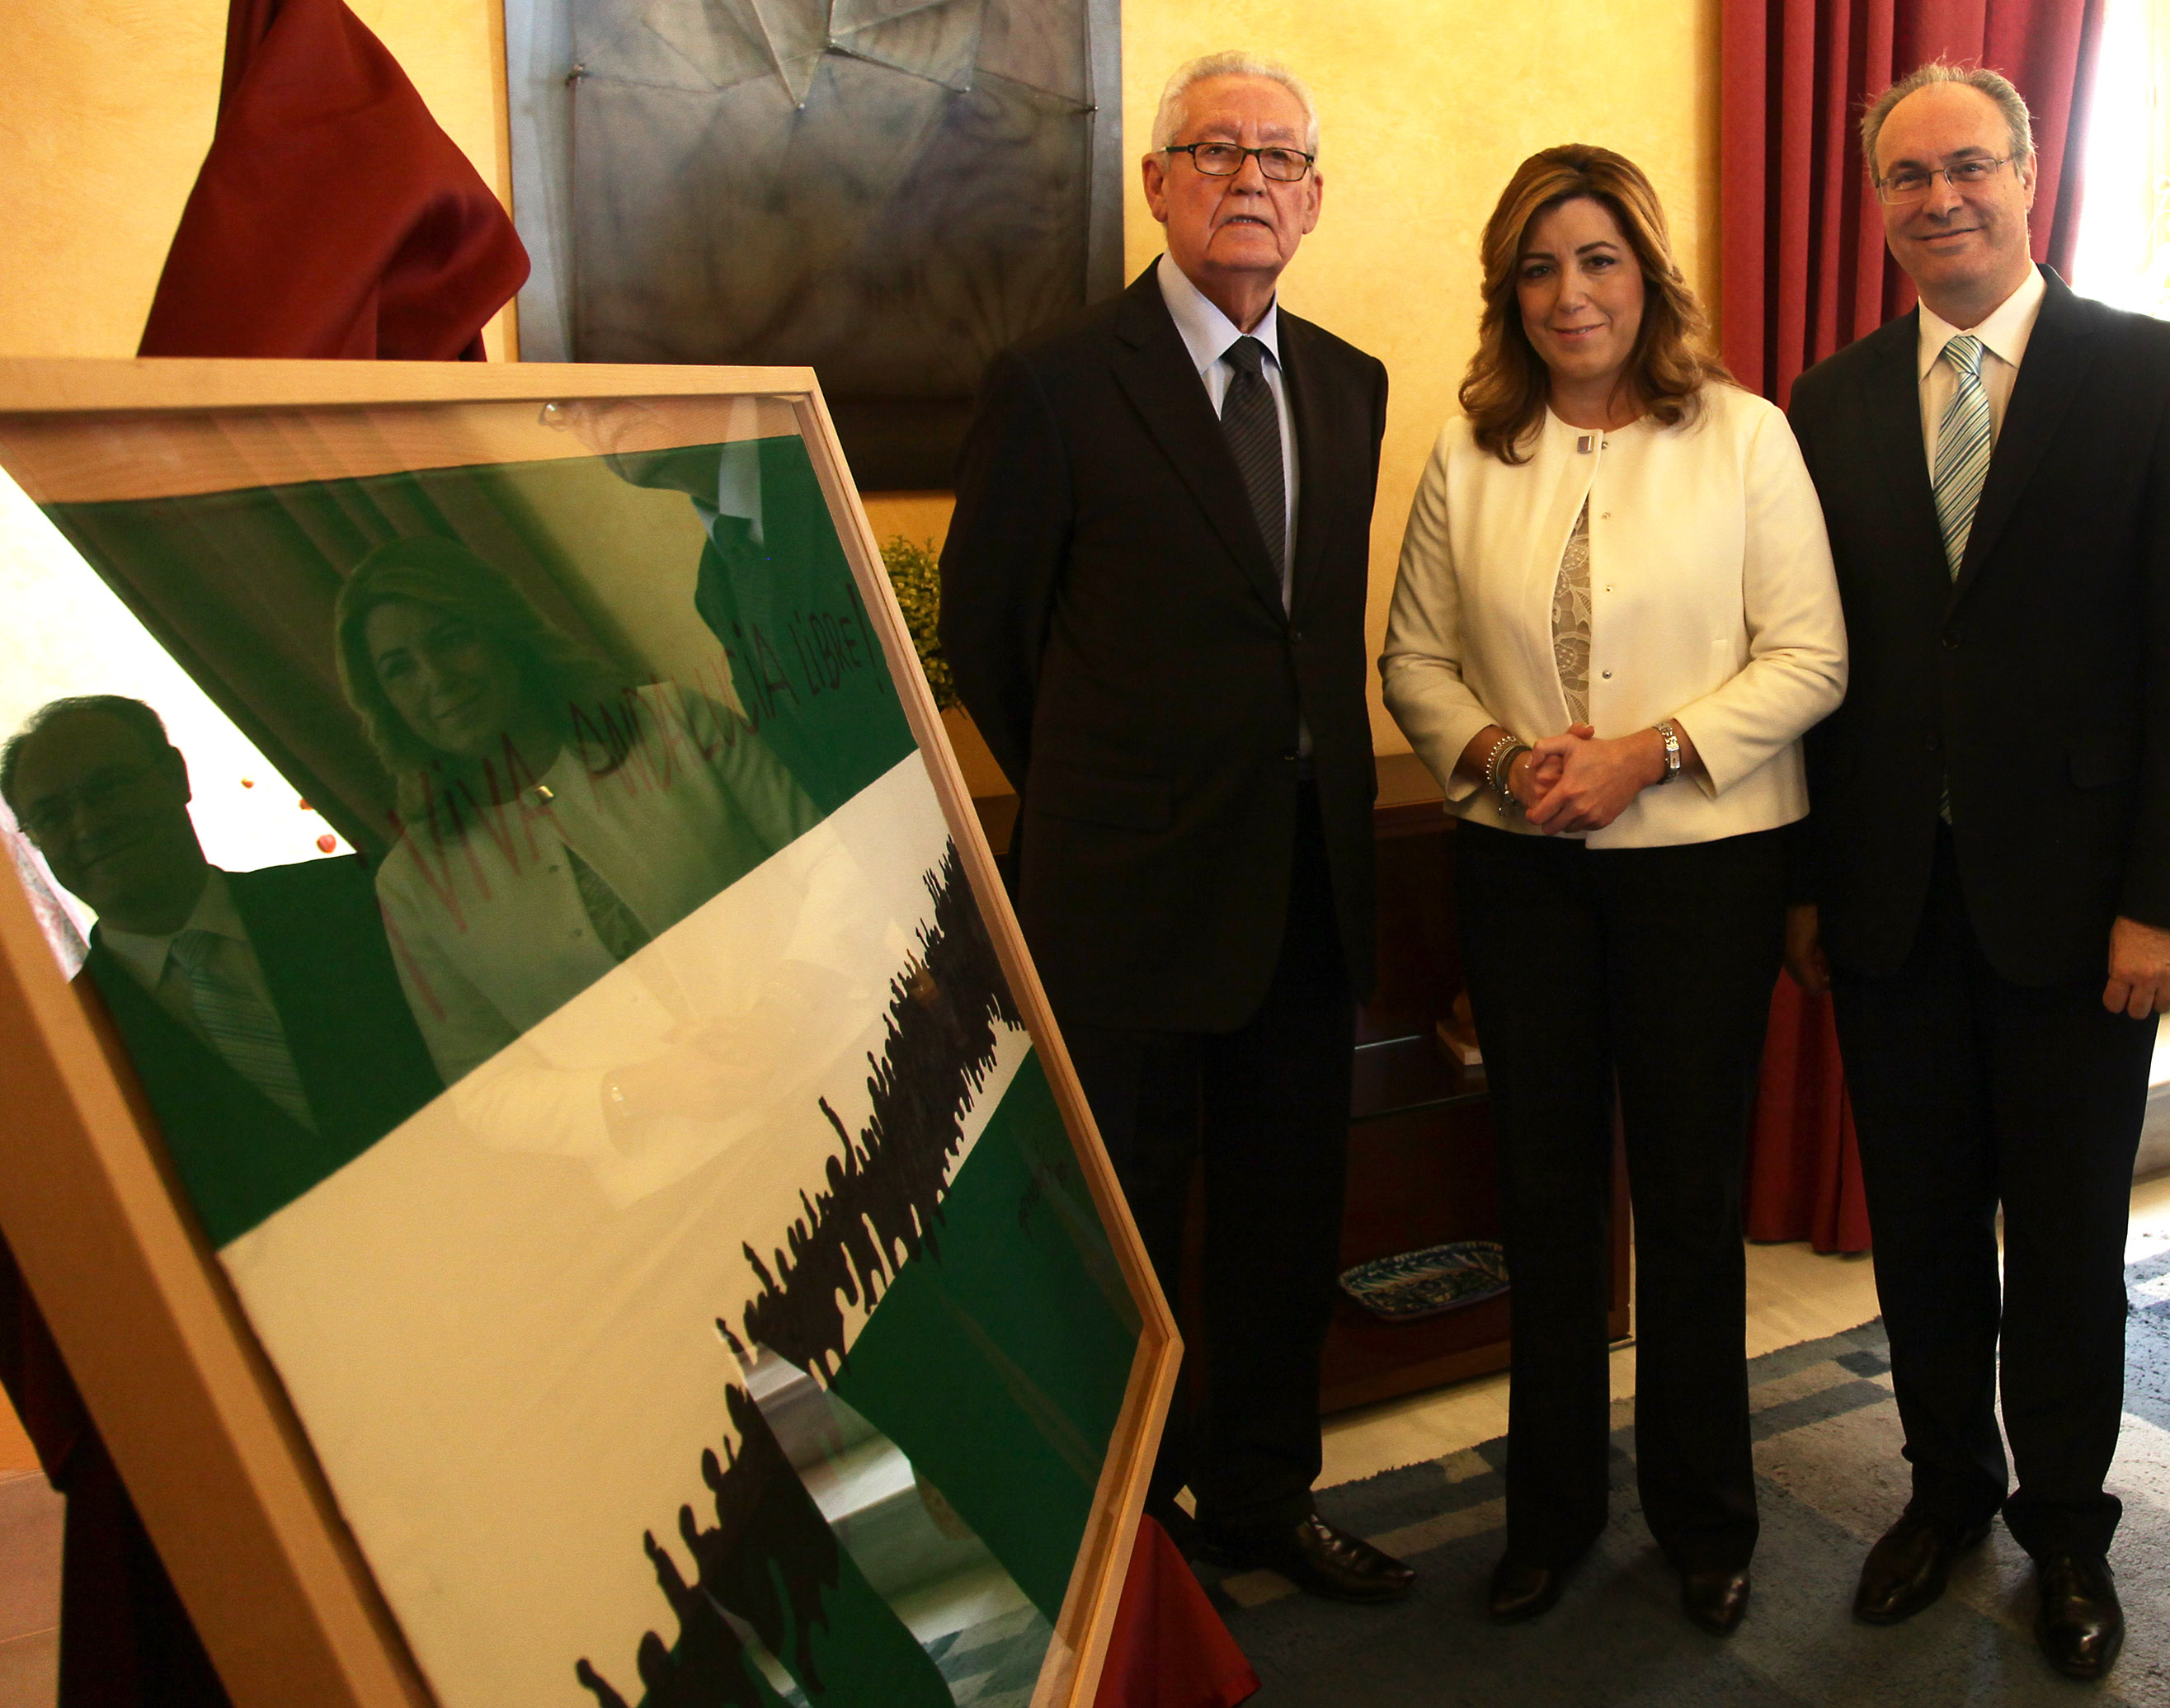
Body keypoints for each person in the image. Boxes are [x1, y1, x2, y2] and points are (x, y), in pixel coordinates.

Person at [1782, 63, 2170, 1680]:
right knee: (1919, 1228)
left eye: (1966, 166)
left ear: (2028, 171)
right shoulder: (1826, 401)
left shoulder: (2156, 377)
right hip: (1889, 907)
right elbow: (1812, 661)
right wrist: (1805, 889)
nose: (1939, 200)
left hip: (2082, 914)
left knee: (2062, 1239)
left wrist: (2164, 898)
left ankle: (2066, 1525)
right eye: (1905, 178)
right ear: (1878, 207)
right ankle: (1943, 1492)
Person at [939, 52, 1411, 1602]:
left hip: (1305, 889)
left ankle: (1265, 1494)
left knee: (1286, 1222)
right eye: (1217, 151)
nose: (1252, 181)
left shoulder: (1349, 384)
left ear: (1317, 198)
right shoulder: (1060, 381)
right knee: (1122, 1235)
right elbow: (996, 641)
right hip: (1126, 898)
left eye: (1282, 158)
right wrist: (1109, 796)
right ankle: (1128, 1536)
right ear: (1156, 182)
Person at [1380, 145, 1847, 1632]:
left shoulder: (1746, 436)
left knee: (1692, 1199)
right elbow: (1414, 663)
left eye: (1597, 259)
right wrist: (1512, 762)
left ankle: (1707, 1519)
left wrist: (1648, 753)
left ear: (1648, 274)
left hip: (1702, 874)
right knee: (1545, 1192)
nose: (1570, 293)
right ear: (1506, 292)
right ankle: (1552, 1514)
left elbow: (1811, 657)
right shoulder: (1472, 448)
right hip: (1522, 873)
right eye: (1538, 265)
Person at [0, 692, 451, 1705]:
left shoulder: (366, 904)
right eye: (55, 815)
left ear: (175, 775)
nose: (90, 826)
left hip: (498, 1345)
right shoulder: (61, 1077)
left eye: (110, 788)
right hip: (320, 1455)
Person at [334, 536, 820, 1187]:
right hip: (684, 1181)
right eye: (399, 668)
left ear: (504, 631)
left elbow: (829, 864)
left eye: (452, 639)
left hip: (836, 1055)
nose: (435, 678)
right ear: (382, 700)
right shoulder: (413, 886)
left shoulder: (672, 721)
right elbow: (485, 1090)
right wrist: (645, 1089)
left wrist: (781, 1012)